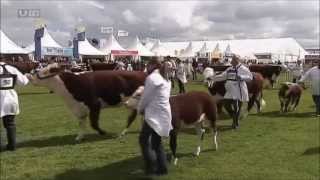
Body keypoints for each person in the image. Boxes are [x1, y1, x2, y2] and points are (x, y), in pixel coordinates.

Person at [138, 58, 172, 176]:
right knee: (156, 142)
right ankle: (162, 168)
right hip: (163, 113)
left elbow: (145, 98)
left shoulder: (152, 78)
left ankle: (150, 166)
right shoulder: (166, 78)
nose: (147, 67)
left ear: (153, 65)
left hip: (153, 115)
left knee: (143, 140)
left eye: (148, 65)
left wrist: (139, 109)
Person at [213, 55, 253, 129]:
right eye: (232, 60)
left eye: (233, 60)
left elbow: (250, 77)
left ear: (237, 60)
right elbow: (223, 76)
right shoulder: (229, 68)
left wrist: (241, 77)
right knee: (226, 104)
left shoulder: (243, 68)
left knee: (237, 107)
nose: (231, 61)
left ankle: (235, 123)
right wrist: (212, 78)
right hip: (230, 90)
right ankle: (234, 117)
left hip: (238, 90)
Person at [0, 60, 29, 151]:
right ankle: (12, 146)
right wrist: (26, 76)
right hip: (11, 97)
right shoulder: (12, 69)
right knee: (10, 123)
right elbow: (24, 82)